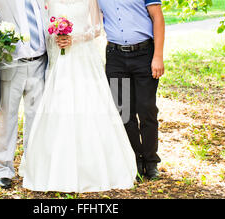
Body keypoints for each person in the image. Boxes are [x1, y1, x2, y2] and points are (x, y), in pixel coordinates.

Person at [19, 0, 137, 193]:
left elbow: (97, 27)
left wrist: (77, 37)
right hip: (61, 57)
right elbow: (44, 25)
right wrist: (56, 36)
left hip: (83, 55)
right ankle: (55, 167)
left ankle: (95, 167)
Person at [98, 0, 165, 180]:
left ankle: (151, 162)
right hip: (115, 57)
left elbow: (157, 17)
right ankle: (134, 160)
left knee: (147, 109)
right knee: (124, 113)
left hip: (144, 54)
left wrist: (158, 56)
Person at [0, 0, 48, 189]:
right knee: (7, 118)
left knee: (35, 118)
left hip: (39, 64)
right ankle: (3, 169)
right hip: (12, 65)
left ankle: (31, 165)